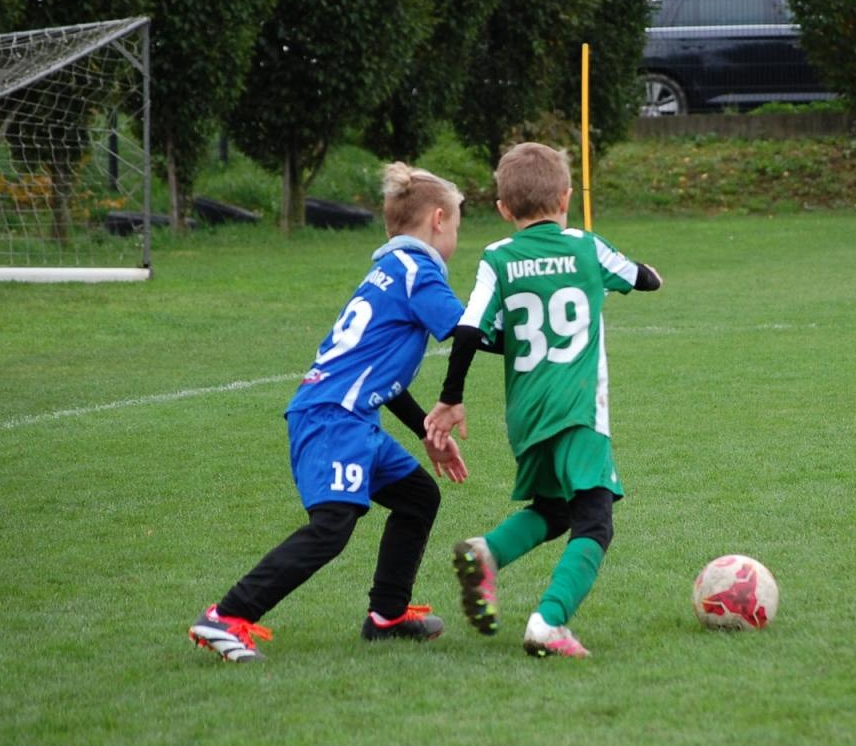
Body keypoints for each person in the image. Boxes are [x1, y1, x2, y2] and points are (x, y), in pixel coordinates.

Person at [188, 163, 469, 663]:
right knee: (332, 525)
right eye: (459, 226)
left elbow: (379, 376)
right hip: (335, 418)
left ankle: (386, 615)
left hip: (346, 414)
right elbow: (469, 332)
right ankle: (226, 617)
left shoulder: (387, 270)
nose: (457, 238)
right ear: (439, 219)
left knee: (417, 497)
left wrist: (426, 427)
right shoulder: (417, 271)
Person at [425, 141, 662, 659]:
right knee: (595, 519)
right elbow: (643, 279)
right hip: (579, 408)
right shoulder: (586, 247)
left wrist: (451, 398)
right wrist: (643, 271)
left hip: (526, 413)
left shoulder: (497, 257)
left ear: (504, 209)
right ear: (566, 196)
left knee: (555, 509)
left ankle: (487, 554)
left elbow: (469, 329)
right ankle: (548, 621)